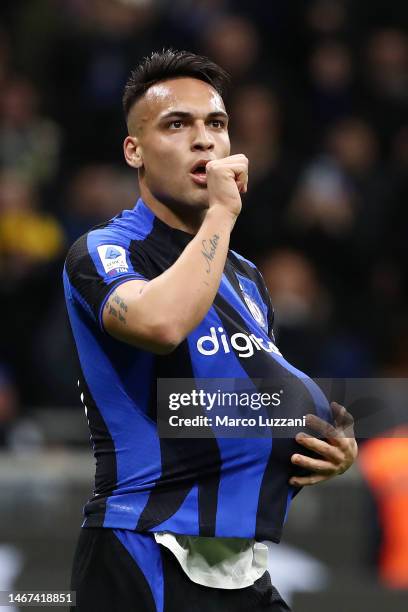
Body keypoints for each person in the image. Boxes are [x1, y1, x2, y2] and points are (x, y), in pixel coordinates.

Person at [63, 49, 358, 612]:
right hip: (143, 553)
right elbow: (160, 325)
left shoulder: (244, 275)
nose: (204, 140)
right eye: (177, 124)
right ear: (135, 151)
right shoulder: (106, 250)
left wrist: (316, 441)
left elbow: (234, 394)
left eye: (216, 124)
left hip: (238, 564)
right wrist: (222, 213)